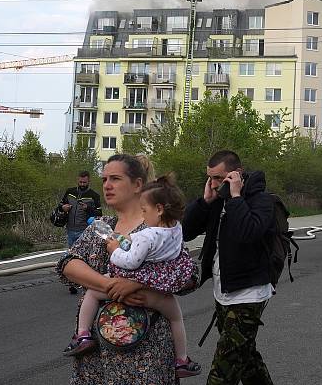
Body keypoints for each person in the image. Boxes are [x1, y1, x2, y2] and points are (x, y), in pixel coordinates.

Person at [56, 153, 198, 385]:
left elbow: (189, 276)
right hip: (96, 355)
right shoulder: (102, 227)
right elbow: (67, 264)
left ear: (138, 185)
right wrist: (109, 285)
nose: (107, 185)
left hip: (146, 353)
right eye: (104, 180)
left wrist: (140, 284)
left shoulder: (157, 230)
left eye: (115, 179)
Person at [181, 150, 275, 385]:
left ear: (237, 174)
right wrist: (203, 203)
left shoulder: (261, 200)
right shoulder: (215, 201)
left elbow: (249, 232)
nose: (213, 184)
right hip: (223, 293)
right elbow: (185, 231)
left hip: (249, 294)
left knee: (223, 371)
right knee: (247, 359)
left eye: (218, 178)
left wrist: (235, 198)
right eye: (209, 178)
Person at [58, 170, 102, 247]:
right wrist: (63, 207)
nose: (82, 184)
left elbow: (99, 213)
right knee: (71, 255)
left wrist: (87, 208)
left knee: (82, 255)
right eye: (80, 182)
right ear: (77, 180)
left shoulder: (94, 195)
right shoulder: (70, 192)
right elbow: (60, 205)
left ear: (89, 181)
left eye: (84, 182)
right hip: (70, 229)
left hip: (84, 230)